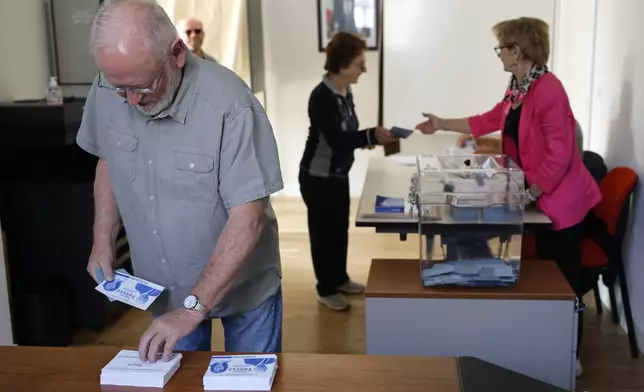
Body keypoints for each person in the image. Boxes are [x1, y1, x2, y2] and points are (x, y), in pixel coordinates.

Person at [78, 0, 283, 363]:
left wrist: (191, 311)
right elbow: (108, 159)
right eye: (119, 89)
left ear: (176, 53)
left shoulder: (231, 105)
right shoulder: (111, 87)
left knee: (251, 385)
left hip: (243, 287)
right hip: (166, 288)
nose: (130, 101)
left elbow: (247, 219)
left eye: (142, 87)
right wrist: (101, 239)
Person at [415, 17, 601, 376]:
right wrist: (441, 123)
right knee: (542, 277)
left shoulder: (549, 88)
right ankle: (537, 341)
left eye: (501, 47)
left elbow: (561, 155)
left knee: (563, 282)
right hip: (539, 194)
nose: (498, 53)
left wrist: (530, 190)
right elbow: (489, 120)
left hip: (562, 201)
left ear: (517, 51)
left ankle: (568, 352)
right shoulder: (518, 86)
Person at [299, 32, 397, 311]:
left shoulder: (345, 91)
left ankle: (339, 278)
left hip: (338, 174)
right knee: (323, 233)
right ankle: (325, 288)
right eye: (359, 64)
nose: (364, 70)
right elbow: (337, 139)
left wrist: (367, 138)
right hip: (318, 177)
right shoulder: (321, 97)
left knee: (339, 229)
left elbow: (347, 134)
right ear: (342, 64)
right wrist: (370, 136)